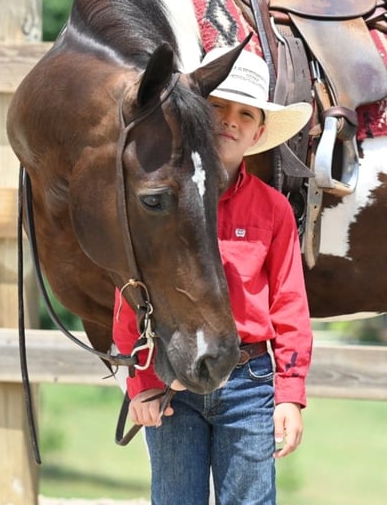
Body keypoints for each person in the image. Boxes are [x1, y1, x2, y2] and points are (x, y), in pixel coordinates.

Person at [113, 46, 314, 504]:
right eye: (218, 106)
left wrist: (289, 393)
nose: (230, 120)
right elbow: (130, 290)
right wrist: (140, 380)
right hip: (171, 379)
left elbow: (290, 304)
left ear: (259, 131)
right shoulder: (160, 198)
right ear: (196, 114)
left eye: (246, 114)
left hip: (249, 382)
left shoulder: (272, 209)